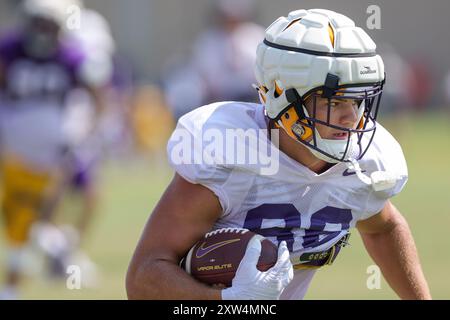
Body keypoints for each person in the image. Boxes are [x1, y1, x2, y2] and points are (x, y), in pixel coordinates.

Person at [126, 9, 431, 300]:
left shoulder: (361, 167)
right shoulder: (232, 153)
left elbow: (383, 229)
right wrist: (228, 299)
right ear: (281, 96)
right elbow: (143, 277)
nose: (351, 117)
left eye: (358, 99)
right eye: (333, 101)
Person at [0, 0, 107, 299]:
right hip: (14, 147)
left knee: (41, 214)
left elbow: (97, 90)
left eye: (48, 23)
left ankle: (42, 262)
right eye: (38, 22)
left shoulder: (70, 56)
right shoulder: (10, 49)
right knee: (23, 220)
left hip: (51, 150)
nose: (42, 30)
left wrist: (89, 131)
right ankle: (55, 250)